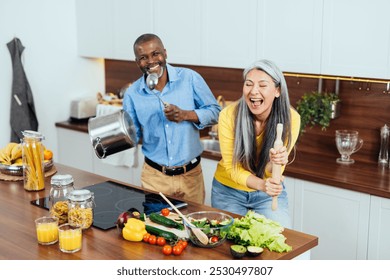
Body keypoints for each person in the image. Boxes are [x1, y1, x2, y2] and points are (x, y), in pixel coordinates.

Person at [123, 33, 221, 204]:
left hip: (191, 176)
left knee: (194, 227)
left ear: (165, 53)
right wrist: (114, 135)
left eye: (156, 54)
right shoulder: (133, 94)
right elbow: (133, 134)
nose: (151, 61)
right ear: (138, 62)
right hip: (154, 177)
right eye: (143, 57)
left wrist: (186, 115)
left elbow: (216, 112)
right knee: (157, 229)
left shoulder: (189, 78)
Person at [211, 59, 300, 228]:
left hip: (268, 194)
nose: (254, 91)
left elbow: (272, 172)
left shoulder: (291, 119)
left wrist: (274, 163)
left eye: (262, 85)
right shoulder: (229, 115)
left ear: (277, 90)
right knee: (231, 244)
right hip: (228, 191)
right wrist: (262, 185)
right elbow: (233, 168)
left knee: (277, 238)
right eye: (249, 84)